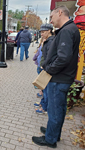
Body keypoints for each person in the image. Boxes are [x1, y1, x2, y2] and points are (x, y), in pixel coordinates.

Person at [32, 5, 80, 148]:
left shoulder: (66, 31)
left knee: (54, 110)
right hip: (63, 78)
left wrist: (49, 70)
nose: (51, 20)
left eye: (52, 17)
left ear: (60, 13)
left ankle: (50, 139)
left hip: (58, 79)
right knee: (59, 109)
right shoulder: (70, 29)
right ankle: (53, 133)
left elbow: (63, 58)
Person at [34, 23, 54, 114]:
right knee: (43, 89)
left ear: (49, 31)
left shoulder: (51, 42)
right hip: (44, 67)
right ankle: (43, 104)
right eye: (41, 32)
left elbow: (49, 57)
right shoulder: (47, 40)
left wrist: (44, 65)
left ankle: (44, 108)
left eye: (43, 32)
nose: (41, 34)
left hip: (46, 69)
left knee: (46, 90)